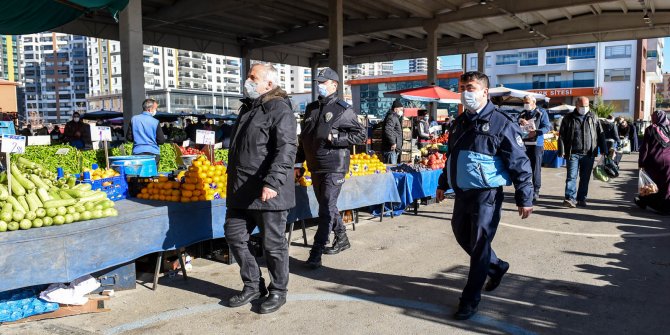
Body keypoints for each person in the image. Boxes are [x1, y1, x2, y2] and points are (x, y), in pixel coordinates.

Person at [436, 71, 533, 320]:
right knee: (461, 234)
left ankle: (469, 300)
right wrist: (442, 183)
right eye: (461, 87)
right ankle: (496, 266)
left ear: (484, 92)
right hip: (462, 192)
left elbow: (520, 161)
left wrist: (525, 197)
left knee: (479, 245)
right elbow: (452, 157)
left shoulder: (501, 122)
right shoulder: (459, 122)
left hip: (486, 194)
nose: (465, 92)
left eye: (470, 87)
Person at [225, 63, 297, 314]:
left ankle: (279, 291)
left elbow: (286, 148)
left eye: (253, 78)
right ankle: (253, 285)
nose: (248, 81)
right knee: (234, 236)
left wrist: (273, 181)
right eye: (248, 77)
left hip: (268, 191)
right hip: (241, 189)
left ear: (269, 83)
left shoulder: (279, 108)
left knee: (273, 244)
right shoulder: (248, 108)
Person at [294, 67, 366, 269]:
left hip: (334, 165)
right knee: (328, 205)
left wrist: (336, 138)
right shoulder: (311, 109)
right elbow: (304, 139)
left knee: (325, 207)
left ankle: (316, 251)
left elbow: (361, 135)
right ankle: (342, 237)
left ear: (334, 85)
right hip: (314, 166)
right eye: (318, 82)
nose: (320, 86)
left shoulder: (343, 109)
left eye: (323, 82)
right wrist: (298, 163)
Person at [558, 96, 607, 208]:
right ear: (577, 105)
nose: (584, 108)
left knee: (585, 178)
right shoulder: (568, 118)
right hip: (572, 153)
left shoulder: (593, 117)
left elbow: (600, 134)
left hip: (589, 153)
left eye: (586, 106)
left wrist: (604, 149)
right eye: (582, 106)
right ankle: (570, 198)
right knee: (571, 176)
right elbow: (562, 135)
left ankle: (581, 198)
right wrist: (561, 149)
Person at [635, 110, 670, 214]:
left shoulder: (650, 129)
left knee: (649, 184)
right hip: (668, 161)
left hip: (654, 162)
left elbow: (644, 149)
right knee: (666, 185)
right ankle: (666, 206)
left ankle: (646, 202)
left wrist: (641, 163)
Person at [518, 95, 551, 202]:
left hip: (537, 144)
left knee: (536, 168)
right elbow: (514, 124)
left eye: (527, 102)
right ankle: (525, 189)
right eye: (524, 102)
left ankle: (536, 191)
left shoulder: (541, 112)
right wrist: (519, 122)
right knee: (524, 168)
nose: (525, 104)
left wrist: (536, 131)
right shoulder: (522, 113)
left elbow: (547, 127)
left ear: (534, 103)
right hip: (524, 144)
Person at [126, 98, 165, 164]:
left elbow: (129, 137)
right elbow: (161, 140)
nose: (156, 110)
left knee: (139, 173)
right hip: (153, 153)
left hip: (138, 152)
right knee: (152, 173)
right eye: (155, 109)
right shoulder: (155, 122)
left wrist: (138, 139)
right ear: (149, 110)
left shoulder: (134, 119)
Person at [381, 99, 404, 164]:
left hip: (393, 149)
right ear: (395, 109)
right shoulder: (392, 117)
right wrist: (393, 142)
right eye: (401, 109)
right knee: (391, 169)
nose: (402, 111)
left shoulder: (394, 117)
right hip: (391, 149)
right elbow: (388, 130)